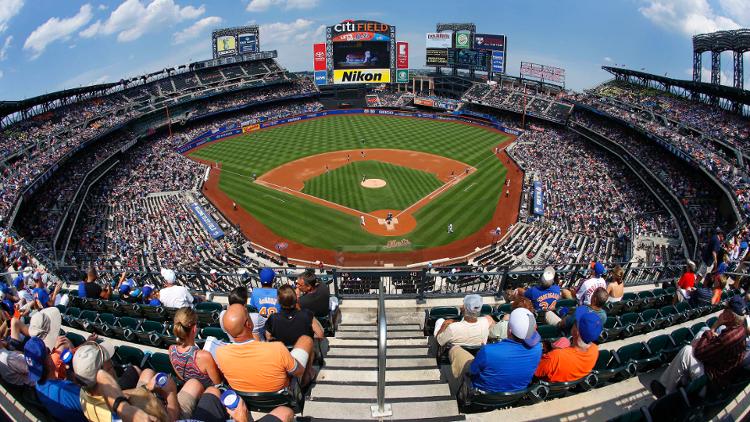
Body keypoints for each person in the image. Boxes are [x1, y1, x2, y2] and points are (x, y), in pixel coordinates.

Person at [25, 337, 154, 422]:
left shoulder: (39, 386)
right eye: (48, 351)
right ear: (47, 362)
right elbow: (99, 403)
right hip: (108, 405)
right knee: (144, 372)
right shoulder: (67, 392)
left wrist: (70, 372)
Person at [651, 296, 748, 397]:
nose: (723, 311)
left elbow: (700, 353)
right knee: (704, 329)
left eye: (726, 309)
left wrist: (716, 325)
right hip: (716, 368)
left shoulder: (728, 338)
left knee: (686, 351)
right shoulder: (739, 328)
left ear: (730, 316)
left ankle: (666, 390)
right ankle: (683, 375)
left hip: (710, 382)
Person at [215, 304, 315, 392]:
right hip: (282, 396)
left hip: (248, 398)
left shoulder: (219, 353)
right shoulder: (277, 349)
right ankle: (306, 380)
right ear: (248, 324)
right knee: (306, 340)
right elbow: (298, 371)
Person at [451, 308, 542, 393]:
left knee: (455, 349)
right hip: (516, 394)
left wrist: (481, 353)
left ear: (509, 331)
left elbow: (472, 371)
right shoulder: (538, 348)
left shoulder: (488, 351)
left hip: (482, 395)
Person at [534, 308, 603, 382]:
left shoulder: (556, 357)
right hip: (568, 388)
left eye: (575, 322)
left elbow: (533, 371)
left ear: (576, 331)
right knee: (564, 340)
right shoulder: (595, 350)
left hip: (544, 386)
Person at [169, 307, 224, 388]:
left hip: (190, 389)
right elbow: (218, 384)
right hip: (207, 394)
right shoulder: (204, 356)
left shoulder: (171, 350)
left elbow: (182, 377)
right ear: (194, 328)